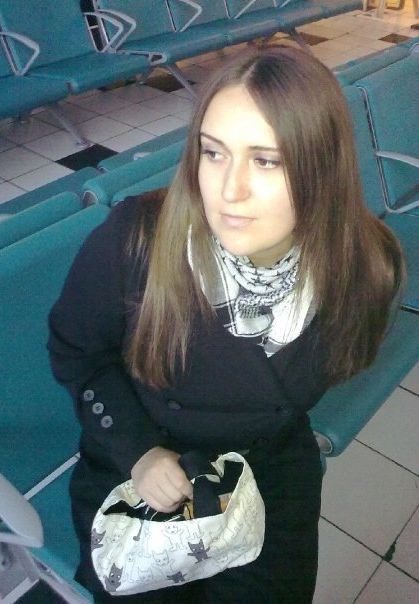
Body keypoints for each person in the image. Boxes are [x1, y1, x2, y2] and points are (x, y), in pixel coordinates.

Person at [48, 45, 404, 603]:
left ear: (321, 168)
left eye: (267, 161)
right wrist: (140, 451)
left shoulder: (365, 268)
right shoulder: (137, 242)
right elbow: (77, 356)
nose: (229, 190)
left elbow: (339, 364)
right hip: (145, 463)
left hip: (266, 467)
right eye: (213, 153)